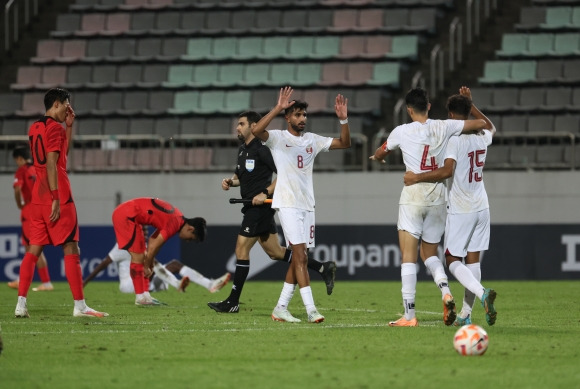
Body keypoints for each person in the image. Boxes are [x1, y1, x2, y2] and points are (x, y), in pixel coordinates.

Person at [369, 87, 491, 327]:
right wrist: (469, 104)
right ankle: (445, 291)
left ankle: (409, 315)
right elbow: (479, 124)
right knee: (430, 253)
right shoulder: (445, 126)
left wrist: (380, 157)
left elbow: (380, 150)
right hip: (438, 198)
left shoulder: (401, 131)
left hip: (413, 197)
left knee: (408, 256)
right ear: (429, 106)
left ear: (408, 109)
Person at [208, 111, 337, 314]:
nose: (237, 128)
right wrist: (230, 182)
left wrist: (264, 192)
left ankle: (232, 301)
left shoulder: (263, 149)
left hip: (260, 207)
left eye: (241, 124)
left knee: (241, 249)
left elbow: (284, 173)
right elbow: (242, 175)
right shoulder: (243, 149)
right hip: (251, 206)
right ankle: (322, 267)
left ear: (253, 126)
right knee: (275, 252)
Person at [251, 86, 351, 323]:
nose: (302, 119)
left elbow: (344, 143)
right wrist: (277, 107)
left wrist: (344, 119)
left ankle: (280, 307)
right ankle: (311, 309)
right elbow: (256, 130)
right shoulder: (277, 138)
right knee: (299, 255)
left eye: (304, 115)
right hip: (287, 203)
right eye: (297, 115)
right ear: (287, 118)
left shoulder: (312, 141)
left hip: (307, 205)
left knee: (301, 257)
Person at [403, 86, 497, 326]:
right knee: (473, 261)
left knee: (452, 259)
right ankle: (466, 315)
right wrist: (471, 103)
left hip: (462, 207)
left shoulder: (455, 140)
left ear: (452, 116)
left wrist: (416, 178)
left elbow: (446, 171)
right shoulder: (482, 137)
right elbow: (489, 125)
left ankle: (482, 292)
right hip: (482, 206)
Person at [15, 88, 107, 318]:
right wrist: (57, 198)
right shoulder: (54, 128)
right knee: (71, 248)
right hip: (58, 194)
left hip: (38, 196)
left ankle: (20, 304)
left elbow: (60, 155)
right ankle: (80, 306)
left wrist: (69, 127)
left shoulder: (36, 126)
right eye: (67, 103)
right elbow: (53, 165)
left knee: (33, 250)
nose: (69, 106)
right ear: (56, 103)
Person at [111, 197, 206, 305]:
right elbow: (155, 245)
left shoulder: (177, 218)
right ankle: (140, 297)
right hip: (126, 215)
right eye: (191, 238)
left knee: (143, 256)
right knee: (139, 257)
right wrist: (147, 265)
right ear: (190, 229)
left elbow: (152, 241)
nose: (188, 241)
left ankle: (145, 296)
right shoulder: (174, 223)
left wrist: (149, 263)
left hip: (130, 215)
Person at [83, 243, 231, 295]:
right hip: (130, 285)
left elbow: (154, 263)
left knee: (173, 265)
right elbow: (103, 265)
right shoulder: (122, 245)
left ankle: (210, 285)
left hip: (148, 282)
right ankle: (182, 284)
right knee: (171, 265)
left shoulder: (140, 242)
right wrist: (84, 283)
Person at [9, 146, 54, 292]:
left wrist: (19, 204)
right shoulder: (38, 168)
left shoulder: (22, 170)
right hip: (44, 208)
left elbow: (17, 189)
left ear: (19, 159)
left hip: (30, 210)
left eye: (16, 160)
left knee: (32, 247)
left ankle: (45, 283)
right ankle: (25, 279)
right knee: (33, 247)